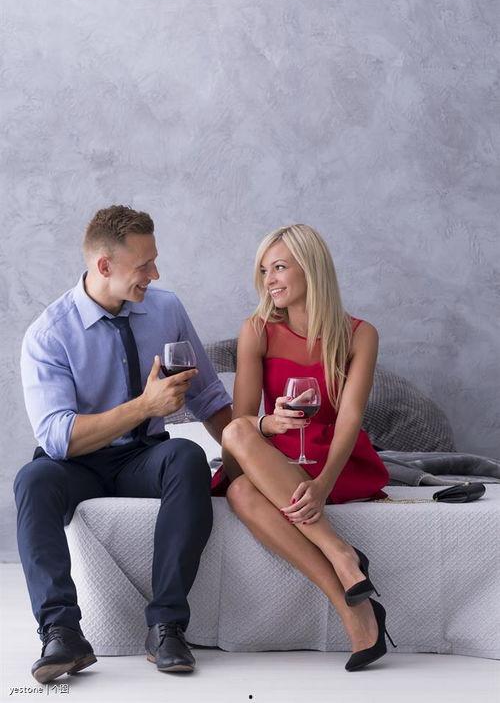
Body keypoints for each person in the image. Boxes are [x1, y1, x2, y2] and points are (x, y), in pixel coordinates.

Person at [14, 205, 232, 683]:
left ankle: (167, 626)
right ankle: (61, 633)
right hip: (76, 463)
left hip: (142, 456)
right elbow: (58, 437)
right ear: (104, 265)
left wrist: (246, 460)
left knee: (187, 455)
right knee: (32, 480)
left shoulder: (166, 309)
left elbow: (209, 397)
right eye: (144, 265)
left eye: (154, 261)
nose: (155, 274)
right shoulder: (49, 334)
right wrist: (144, 406)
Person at [216, 224, 396, 672]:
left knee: (241, 494)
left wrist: (323, 484)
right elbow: (242, 419)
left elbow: (350, 417)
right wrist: (269, 423)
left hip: (333, 460)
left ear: (311, 269)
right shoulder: (256, 330)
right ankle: (342, 559)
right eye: (264, 271)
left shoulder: (360, 334)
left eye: (279, 267)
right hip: (276, 453)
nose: (269, 280)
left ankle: (356, 611)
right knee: (237, 442)